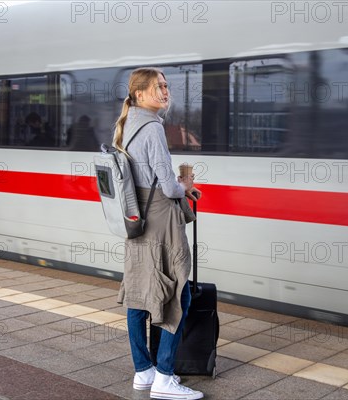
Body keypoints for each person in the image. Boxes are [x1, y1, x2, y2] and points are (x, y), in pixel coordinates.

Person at [114, 67, 203, 400]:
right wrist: (187, 188)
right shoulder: (152, 128)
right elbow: (167, 186)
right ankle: (165, 377)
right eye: (159, 87)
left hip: (136, 217)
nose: (166, 91)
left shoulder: (126, 125)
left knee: (138, 294)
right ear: (140, 94)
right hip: (161, 222)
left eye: (166, 86)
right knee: (179, 293)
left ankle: (143, 371)